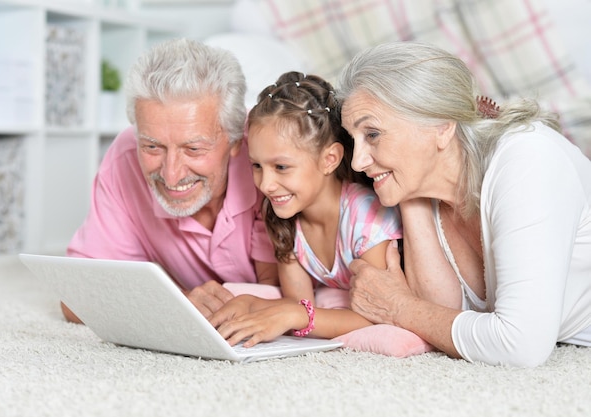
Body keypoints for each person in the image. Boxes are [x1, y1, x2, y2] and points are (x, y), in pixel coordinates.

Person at [337, 41, 591, 367]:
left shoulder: (528, 160)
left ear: (442, 126)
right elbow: (443, 314)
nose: (358, 161)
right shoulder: (426, 190)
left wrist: (398, 307)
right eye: (353, 139)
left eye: (372, 134)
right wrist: (406, 195)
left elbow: (519, 346)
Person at [63, 38, 279, 322]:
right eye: (152, 147)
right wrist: (175, 301)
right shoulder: (124, 158)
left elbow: (317, 290)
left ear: (237, 140)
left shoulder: (275, 153)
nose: (171, 174)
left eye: (193, 149)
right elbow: (75, 296)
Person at [210, 71, 403, 347]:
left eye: (281, 167)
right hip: (338, 299)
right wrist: (251, 303)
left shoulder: (366, 216)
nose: (266, 184)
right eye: (256, 166)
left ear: (329, 159)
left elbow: (379, 314)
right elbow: (299, 303)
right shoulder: (283, 215)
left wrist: (295, 314)